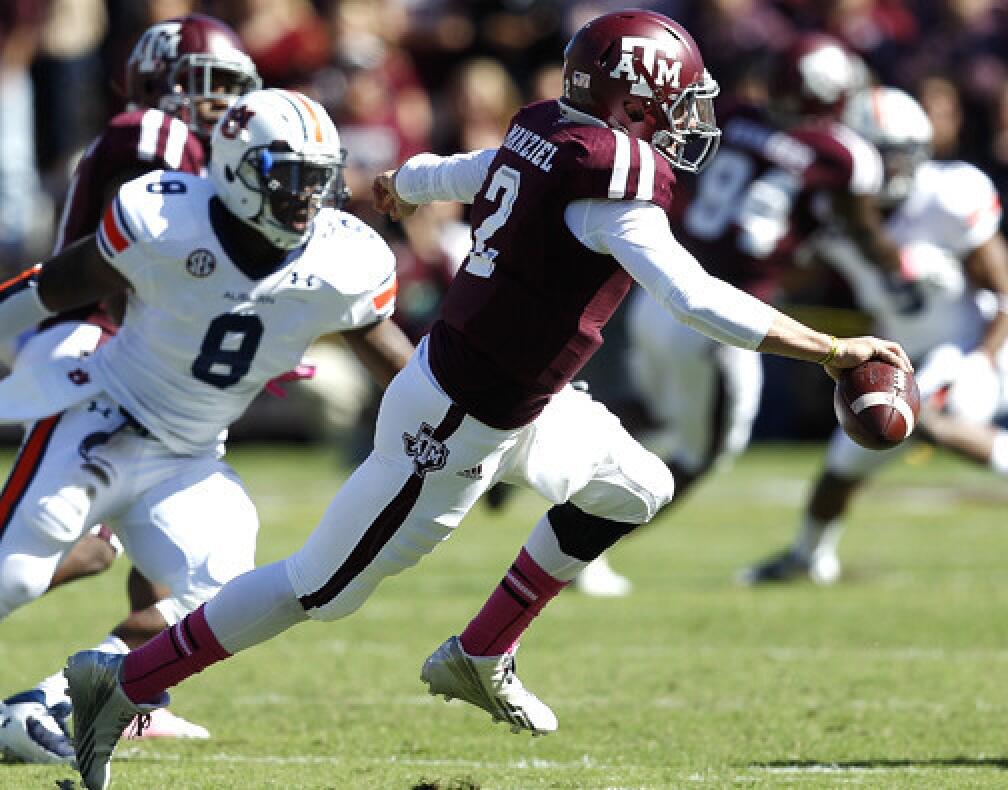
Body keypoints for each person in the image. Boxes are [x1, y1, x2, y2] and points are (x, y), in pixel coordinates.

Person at [59, 12, 911, 790]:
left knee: (636, 487)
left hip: (520, 400)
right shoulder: (609, 184)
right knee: (319, 588)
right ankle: (125, 680)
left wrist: (400, 183)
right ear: (637, 94)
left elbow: (468, 171)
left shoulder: (547, 130)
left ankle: (481, 652)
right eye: (680, 97)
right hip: (453, 421)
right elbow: (691, 296)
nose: (691, 116)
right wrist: (834, 349)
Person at [0, 86, 412, 767]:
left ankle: (43, 704)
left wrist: (475, 422)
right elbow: (42, 289)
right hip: (104, 421)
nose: (307, 199)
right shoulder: (166, 220)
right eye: (290, 178)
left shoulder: (342, 260)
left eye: (318, 180)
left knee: (222, 595)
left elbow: (403, 365)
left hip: (191, 457)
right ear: (239, 171)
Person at [0, 15, 263, 753]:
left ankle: (134, 689)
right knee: (97, 542)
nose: (221, 104)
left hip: (104, 342)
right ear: (166, 81)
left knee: (136, 540)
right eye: (209, 85)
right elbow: (131, 264)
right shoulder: (144, 136)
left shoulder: (169, 139)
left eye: (227, 88)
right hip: (97, 342)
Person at [575, 32, 893, 597]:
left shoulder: (737, 115)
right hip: (724, 314)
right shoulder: (842, 155)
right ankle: (580, 549)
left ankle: (539, 434)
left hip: (660, 288)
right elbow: (865, 235)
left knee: (657, 413)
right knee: (704, 454)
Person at [739, 85, 1008, 585]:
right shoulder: (833, 212)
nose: (898, 168)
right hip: (902, 348)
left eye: (905, 155)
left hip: (972, 343)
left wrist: (984, 359)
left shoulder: (949, 194)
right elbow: (793, 272)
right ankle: (808, 557)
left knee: (921, 418)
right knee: (851, 449)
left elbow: (1004, 291)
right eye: (886, 157)